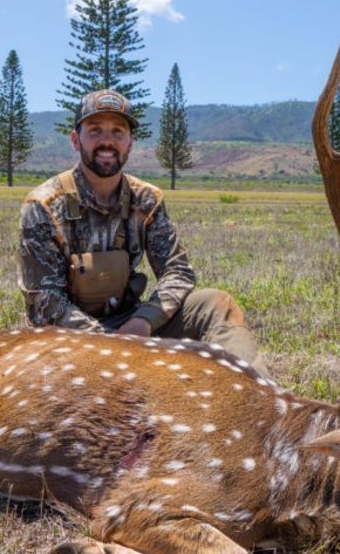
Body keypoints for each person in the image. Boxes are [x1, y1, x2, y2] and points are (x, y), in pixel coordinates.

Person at [18, 89, 267, 373]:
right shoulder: (43, 206)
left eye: (118, 131)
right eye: (95, 130)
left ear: (130, 143)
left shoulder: (147, 200)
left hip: (132, 327)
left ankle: (261, 398)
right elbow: (45, 304)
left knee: (215, 304)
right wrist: (114, 343)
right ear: (76, 140)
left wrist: (144, 321)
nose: (107, 141)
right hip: (69, 341)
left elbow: (178, 271)